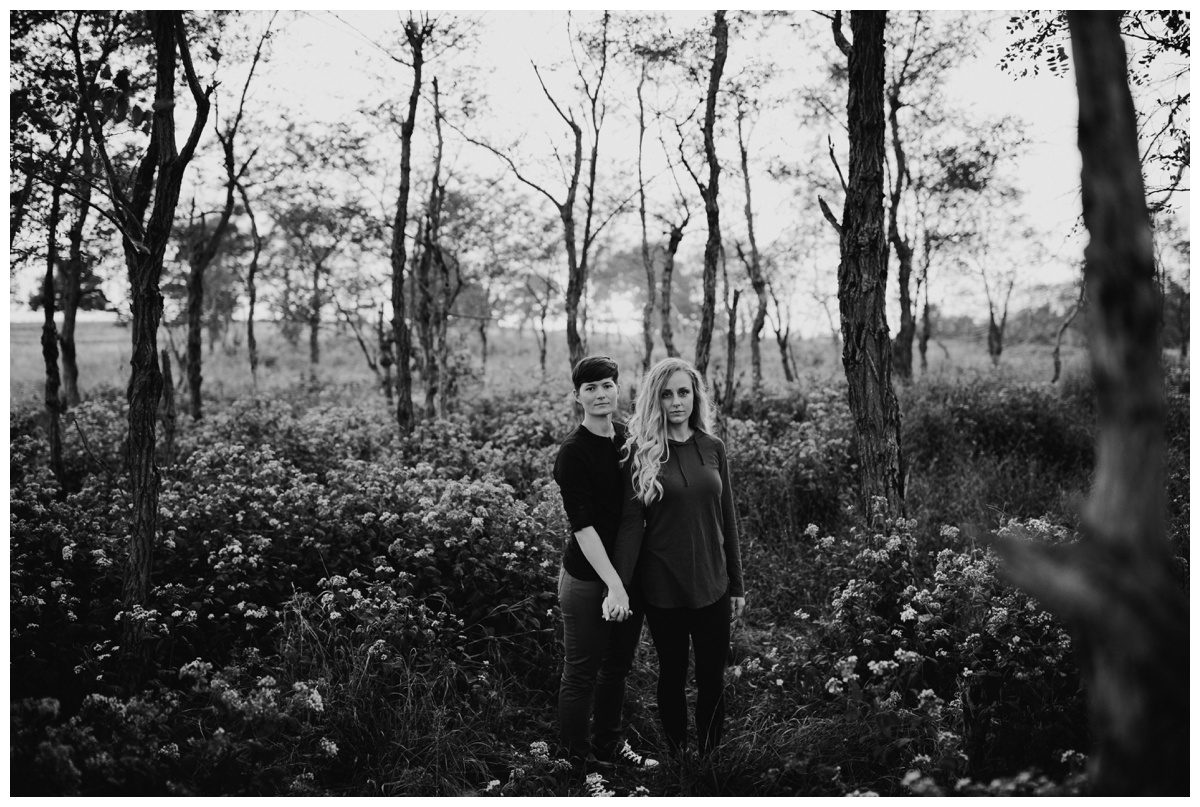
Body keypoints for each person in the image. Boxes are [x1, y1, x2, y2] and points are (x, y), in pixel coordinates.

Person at [610, 357, 746, 759]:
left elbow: (728, 519)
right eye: (667, 395)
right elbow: (631, 525)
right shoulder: (641, 452)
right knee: (671, 675)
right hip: (663, 587)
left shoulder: (713, 447)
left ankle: (709, 758)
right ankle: (677, 757)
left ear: (695, 396)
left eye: (683, 392)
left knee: (711, 678)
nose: (676, 402)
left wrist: (737, 585)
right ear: (656, 400)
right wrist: (618, 585)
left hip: (713, 584)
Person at [551, 355, 659, 794]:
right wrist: (613, 585)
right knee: (581, 673)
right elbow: (583, 527)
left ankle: (609, 743)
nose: (601, 394)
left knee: (616, 667)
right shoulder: (573, 453)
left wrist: (626, 581)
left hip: (625, 577)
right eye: (591, 388)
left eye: (607, 385)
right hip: (587, 579)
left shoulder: (628, 438)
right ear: (577, 396)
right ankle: (579, 767)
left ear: (618, 389)